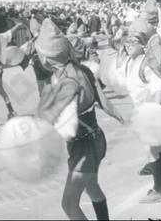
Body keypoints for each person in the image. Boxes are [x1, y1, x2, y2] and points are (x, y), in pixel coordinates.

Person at [34, 18, 124, 220]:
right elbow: (101, 100)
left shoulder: (64, 80)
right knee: (92, 188)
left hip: (83, 147)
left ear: (47, 57)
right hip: (95, 138)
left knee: (68, 204)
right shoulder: (81, 69)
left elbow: (51, 118)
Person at [121, 14, 161, 203]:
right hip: (142, 111)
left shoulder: (146, 64)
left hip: (152, 112)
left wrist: (152, 112)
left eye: (133, 41)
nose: (128, 44)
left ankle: (159, 190)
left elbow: (160, 87)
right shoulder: (130, 61)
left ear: (143, 44)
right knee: (153, 147)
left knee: (151, 151)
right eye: (126, 41)